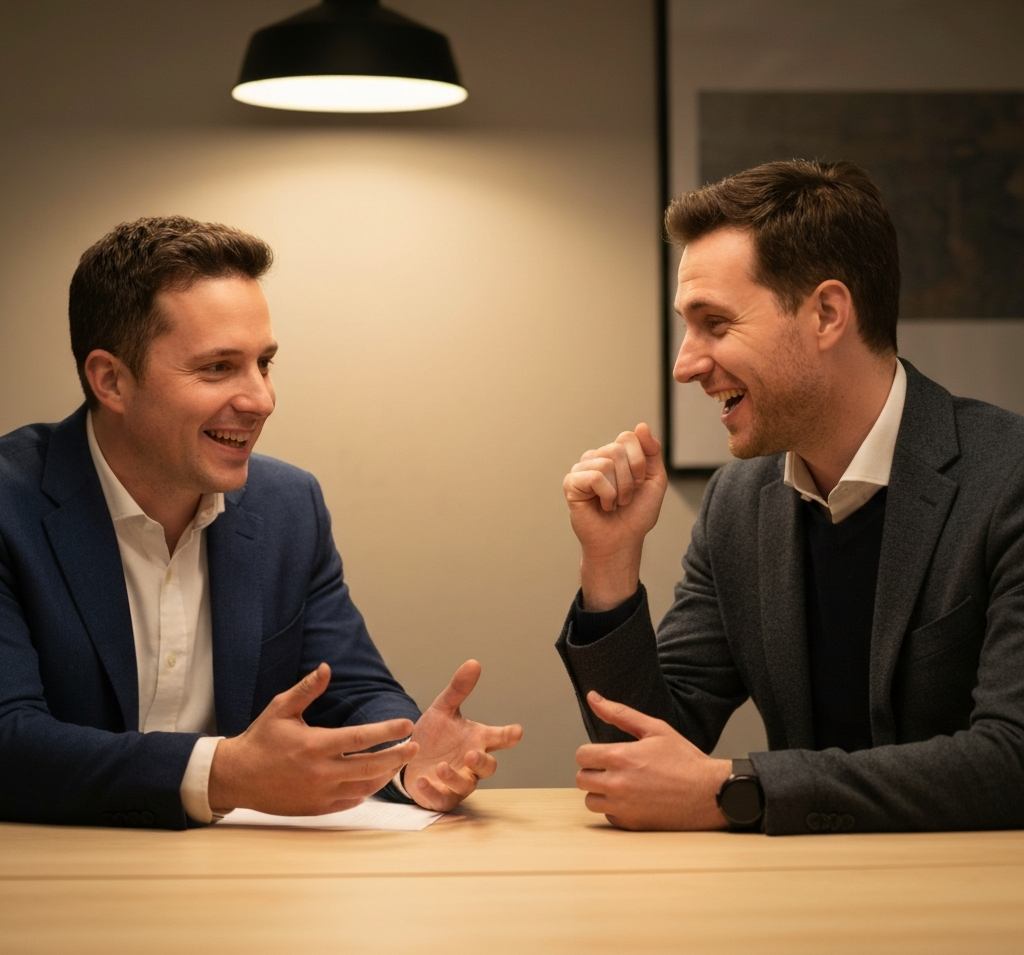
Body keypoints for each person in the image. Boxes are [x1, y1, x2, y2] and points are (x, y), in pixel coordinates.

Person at [0, 215, 521, 829]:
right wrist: (220, 773)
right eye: (218, 367)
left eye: (264, 364)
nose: (260, 399)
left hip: (240, 887)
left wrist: (404, 758)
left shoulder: (288, 506)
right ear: (110, 379)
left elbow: (349, 692)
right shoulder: (12, 505)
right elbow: (11, 741)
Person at [557, 159, 1024, 835]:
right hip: (797, 902)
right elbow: (642, 756)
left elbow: (1011, 760)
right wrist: (609, 566)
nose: (685, 364)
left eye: (714, 323)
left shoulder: (1008, 479)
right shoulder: (738, 504)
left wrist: (737, 790)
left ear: (827, 314)